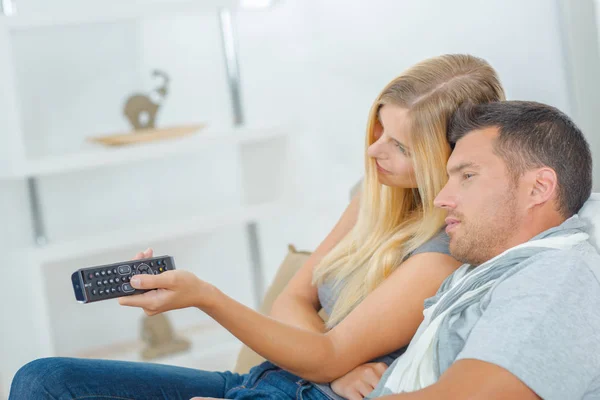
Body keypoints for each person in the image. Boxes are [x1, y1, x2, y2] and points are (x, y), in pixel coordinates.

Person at [8, 54, 506, 400]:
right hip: (270, 379)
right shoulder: (376, 194)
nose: (374, 149)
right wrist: (338, 368)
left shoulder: (442, 252)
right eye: (378, 128)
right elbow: (293, 302)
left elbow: (326, 353)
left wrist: (204, 297)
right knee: (43, 380)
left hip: (298, 394)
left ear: (449, 155)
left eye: (399, 145)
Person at [365, 100, 599, 400]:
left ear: (539, 188)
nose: (441, 199)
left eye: (467, 176)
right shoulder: (484, 273)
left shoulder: (558, 277)